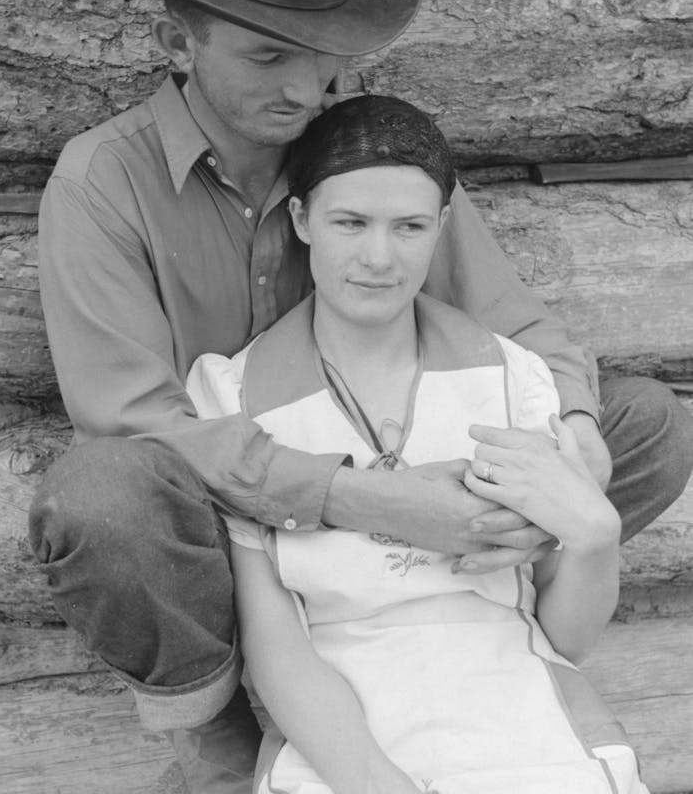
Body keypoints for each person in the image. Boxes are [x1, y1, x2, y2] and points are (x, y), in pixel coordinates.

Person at [28, 0, 690, 793]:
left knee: (648, 425)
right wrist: (361, 497)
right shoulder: (103, 181)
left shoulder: (364, 153)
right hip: (219, 516)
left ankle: (492, 613)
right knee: (101, 495)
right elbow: (134, 419)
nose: (305, 89)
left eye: (323, 56)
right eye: (266, 57)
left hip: (412, 456)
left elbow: (531, 334)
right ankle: (219, 720)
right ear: (178, 43)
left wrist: (577, 442)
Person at [186, 93, 649, 794]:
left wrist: (595, 538)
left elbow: (566, 640)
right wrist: (375, 782)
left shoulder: (512, 380)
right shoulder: (235, 396)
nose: (379, 257)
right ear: (302, 220)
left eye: (408, 226)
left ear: (439, 229)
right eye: (350, 222)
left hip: (517, 708)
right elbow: (277, 648)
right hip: (338, 727)